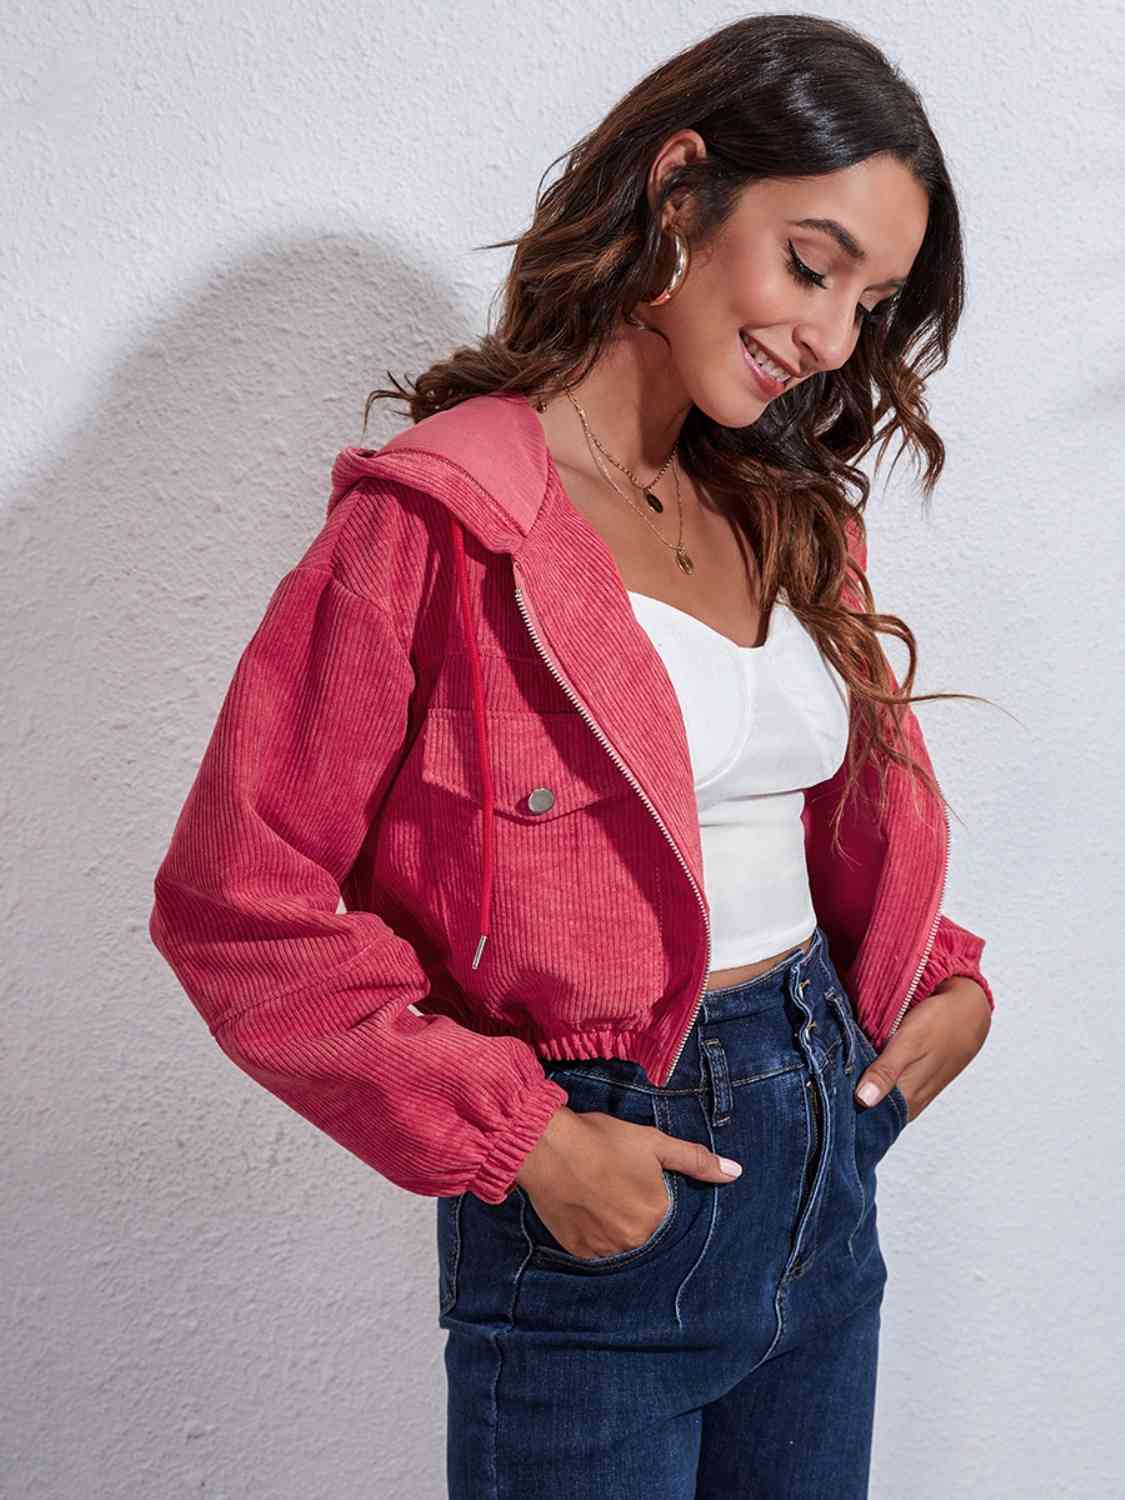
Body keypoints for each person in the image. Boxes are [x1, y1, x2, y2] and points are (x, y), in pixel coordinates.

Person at [149, 14, 997, 1496]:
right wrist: (527, 1141)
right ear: (679, 190)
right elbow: (235, 905)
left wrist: (944, 982)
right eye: (811, 265)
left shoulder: (789, 511)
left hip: (824, 1156)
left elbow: (791, 824)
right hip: (605, 1188)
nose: (829, 340)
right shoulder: (436, 526)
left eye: (868, 305)